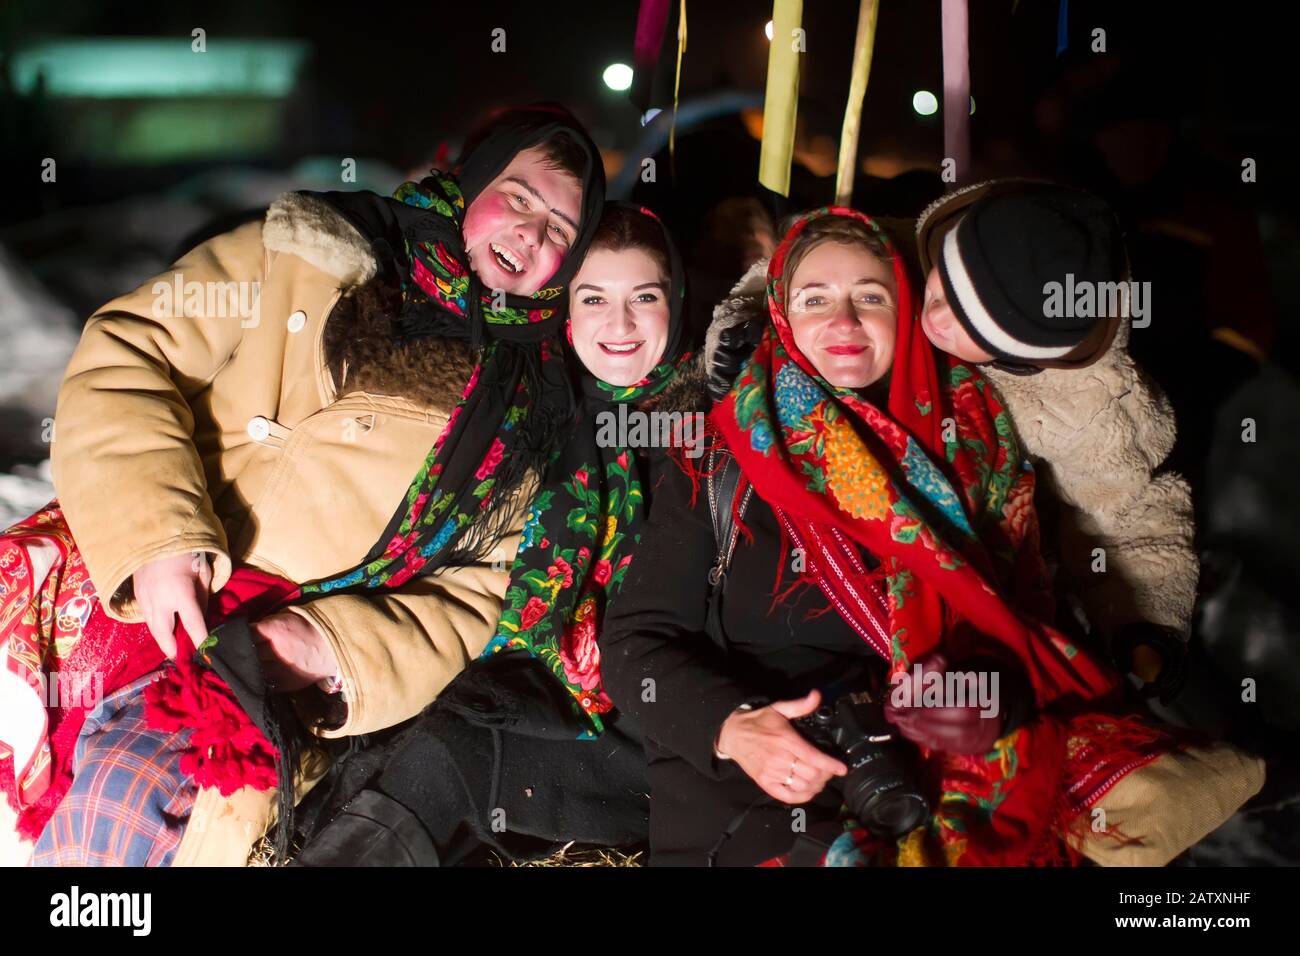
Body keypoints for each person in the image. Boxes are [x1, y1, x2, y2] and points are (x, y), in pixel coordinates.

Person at [0, 104, 607, 866]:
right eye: (518, 197)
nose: (529, 233)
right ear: (474, 183)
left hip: (253, 667)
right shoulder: (309, 252)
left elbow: (481, 596)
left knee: (126, 806)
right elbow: (128, 356)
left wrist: (320, 648)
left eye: (559, 229)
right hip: (124, 559)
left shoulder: (537, 408)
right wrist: (160, 542)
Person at [600, 206, 1257, 867]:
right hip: (749, 814)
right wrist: (732, 728)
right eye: (816, 298)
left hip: (936, 790)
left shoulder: (974, 445)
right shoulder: (719, 452)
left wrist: (986, 701)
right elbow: (635, 642)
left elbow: (1027, 626)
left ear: (907, 311)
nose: (844, 321)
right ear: (781, 315)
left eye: (871, 296)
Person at [292, 203, 703, 866]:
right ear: (566, 310)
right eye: (594, 297)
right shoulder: (545, 411)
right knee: (365, 771)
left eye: (644, 298)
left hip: (644, 728)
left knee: (444, 759)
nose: (618, 324)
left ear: (678, 303)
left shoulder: (704, 432)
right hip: (530, 687)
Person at [911, 181, 1198, 696]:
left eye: (969, 323)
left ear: (1018, 357)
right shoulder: (901, 269)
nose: (935, 317)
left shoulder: (1085, 409)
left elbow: (1127, 517)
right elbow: (822, 267)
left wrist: (1142, 623)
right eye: (941, 289)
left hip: (991, 582)